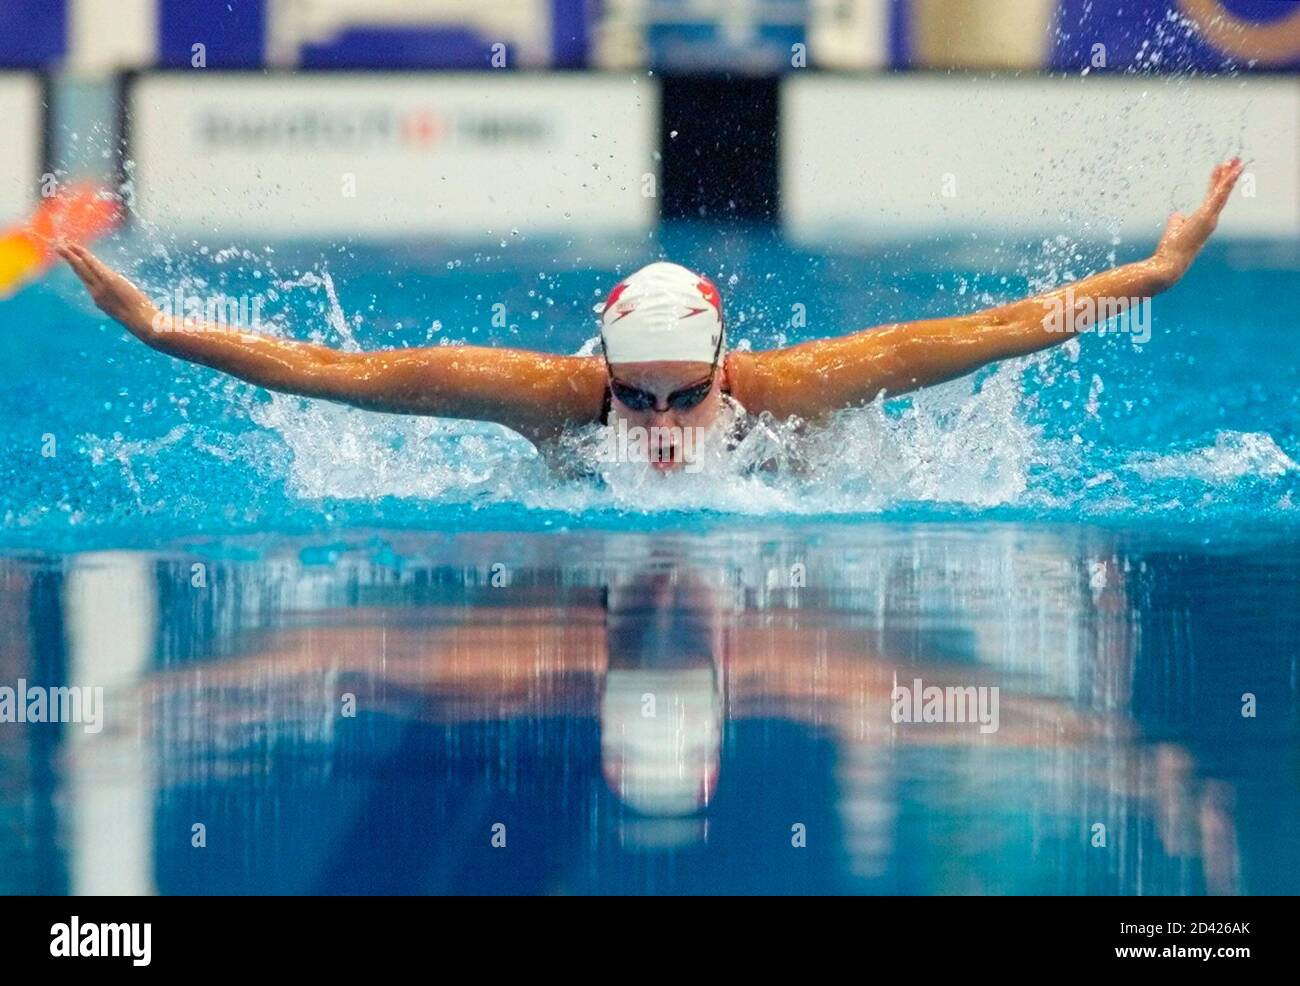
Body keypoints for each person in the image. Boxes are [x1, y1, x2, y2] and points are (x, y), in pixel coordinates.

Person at [57, 159, 1243, 473]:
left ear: (729, 371)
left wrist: (1154, 272)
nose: (666, 424)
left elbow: (1008, 323)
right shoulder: (543, 399)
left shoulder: (803, 386)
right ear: (603, 375)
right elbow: (334, 371)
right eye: (642, 396)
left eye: (688, 395)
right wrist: (159, 327)